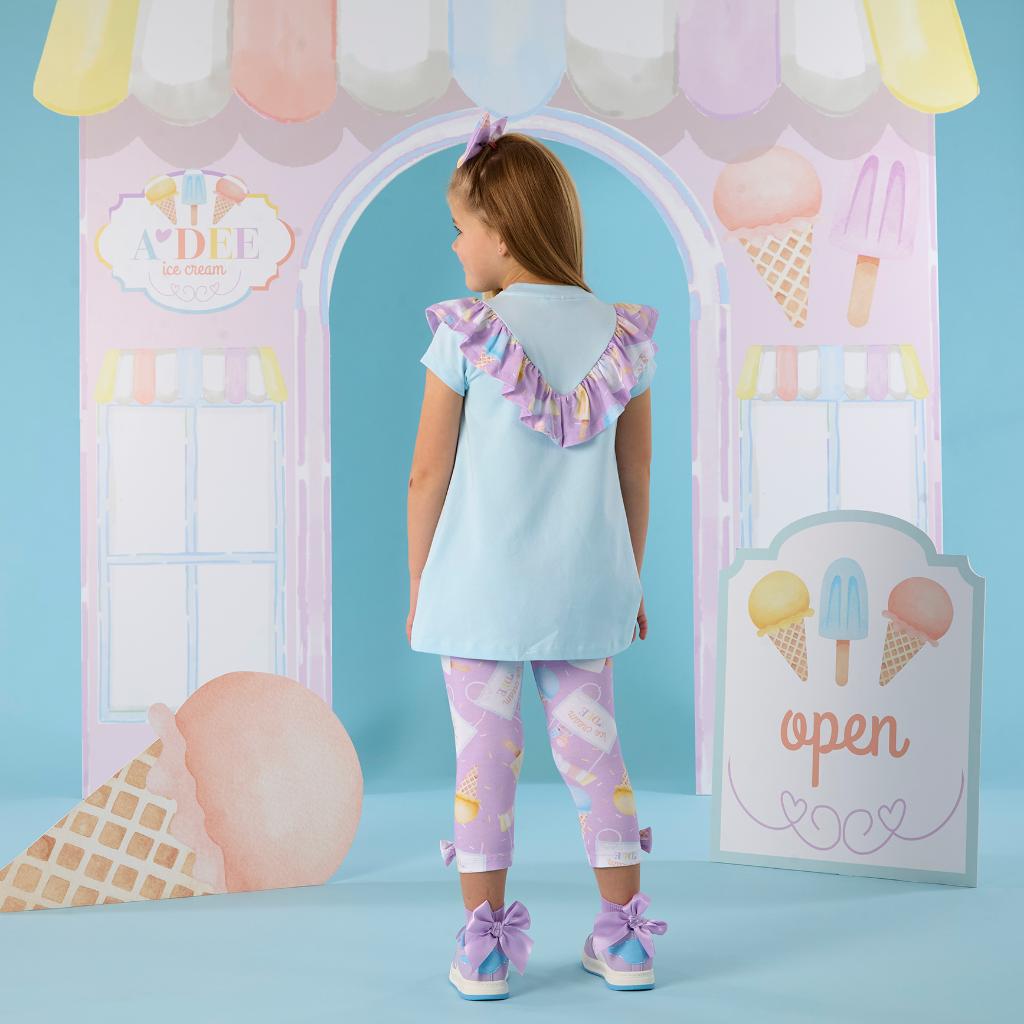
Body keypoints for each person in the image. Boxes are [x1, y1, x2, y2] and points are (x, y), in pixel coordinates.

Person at [406, 111, 668, 1001]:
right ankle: (625, 940)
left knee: (484, 761)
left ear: (503, 234)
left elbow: (426, 475)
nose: (453, 245)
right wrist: (630, 578)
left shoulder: (466, 333)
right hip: (587, 587)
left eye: (461, 228)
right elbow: (635, 474)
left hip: (479, 590)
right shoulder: (624, 336)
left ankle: (484, 950)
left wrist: (421, 583)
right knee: (596, 757)